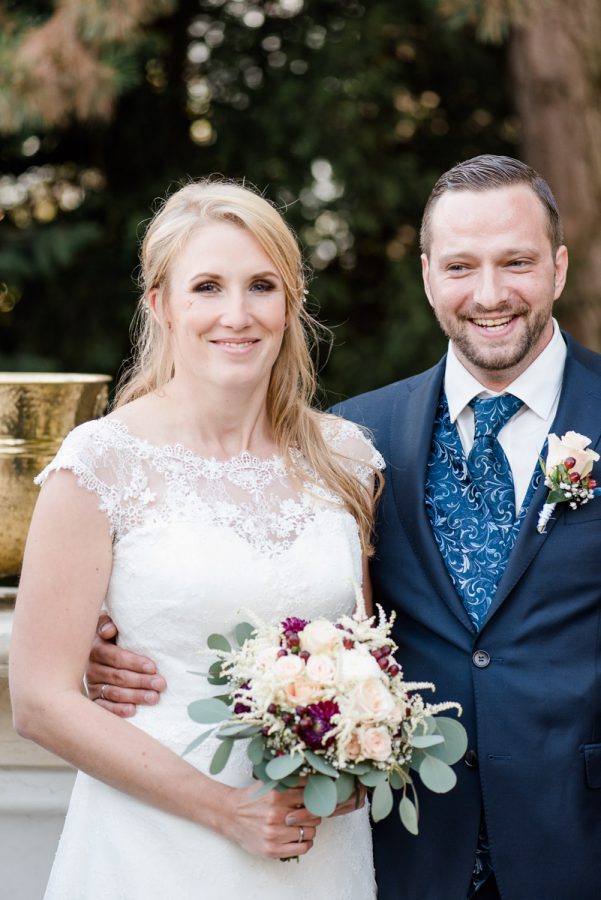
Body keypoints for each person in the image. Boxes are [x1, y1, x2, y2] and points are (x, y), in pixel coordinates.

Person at [91, 155, 601, 900]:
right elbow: (304, 599)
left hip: (579, 842)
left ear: (557, 267)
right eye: (460, 266)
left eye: (516, 262)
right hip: (405, 854)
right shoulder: (354, 441)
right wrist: (113, 628)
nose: (489, 293)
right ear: (427, 275)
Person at [9, 180, 384, 899]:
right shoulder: (101, 463)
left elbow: (367, 656)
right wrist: (227, 810)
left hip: (317, 845)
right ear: (161, 305)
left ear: (290, 304)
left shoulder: (346, 460)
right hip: (155, 845)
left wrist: (363, 759)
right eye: (207, 287)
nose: (236, 314)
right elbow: (40, 699)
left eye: (261, 286)